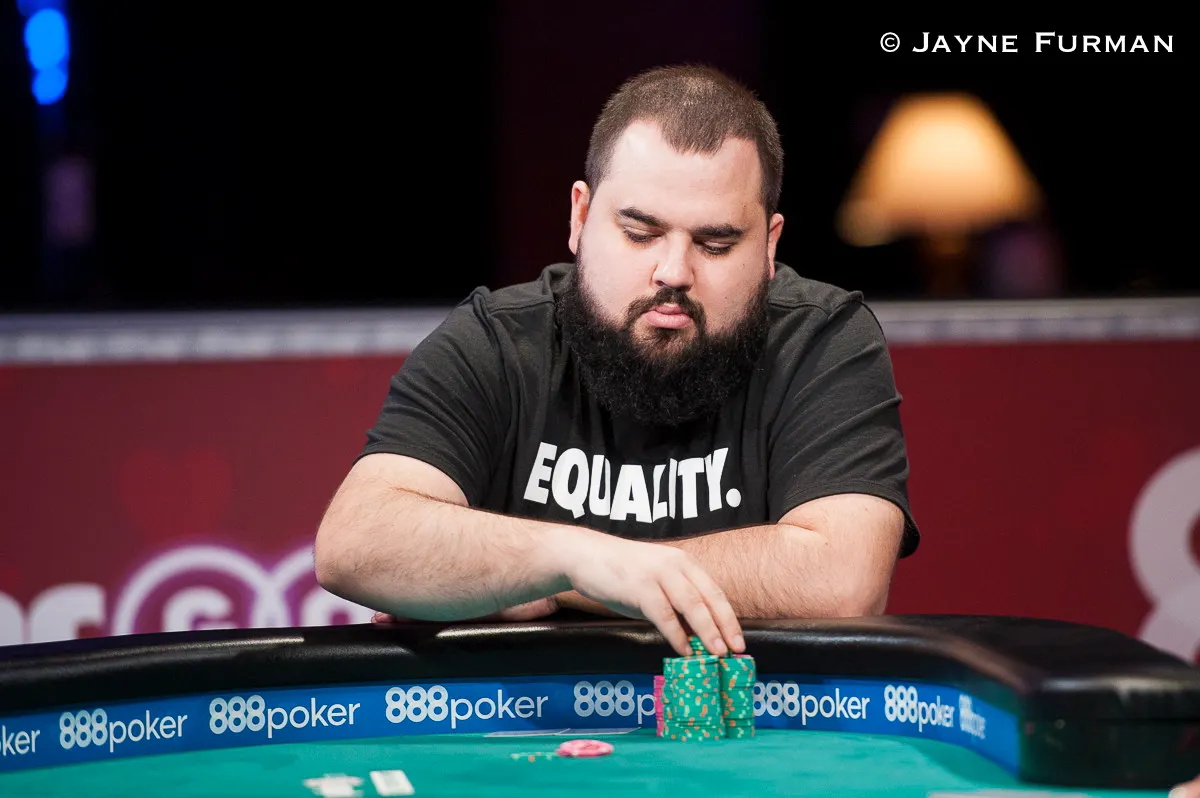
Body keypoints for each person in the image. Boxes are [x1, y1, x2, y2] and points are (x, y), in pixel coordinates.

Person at [314, 64, 919, 658]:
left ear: (769, 245)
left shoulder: (822, 338)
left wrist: (548, 581)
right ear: (579, 218)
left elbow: (842, 579)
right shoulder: (497, 341)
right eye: (639, 233)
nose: (674, 272)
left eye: (715, 244)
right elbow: (356, 541)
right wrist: (575, 558)